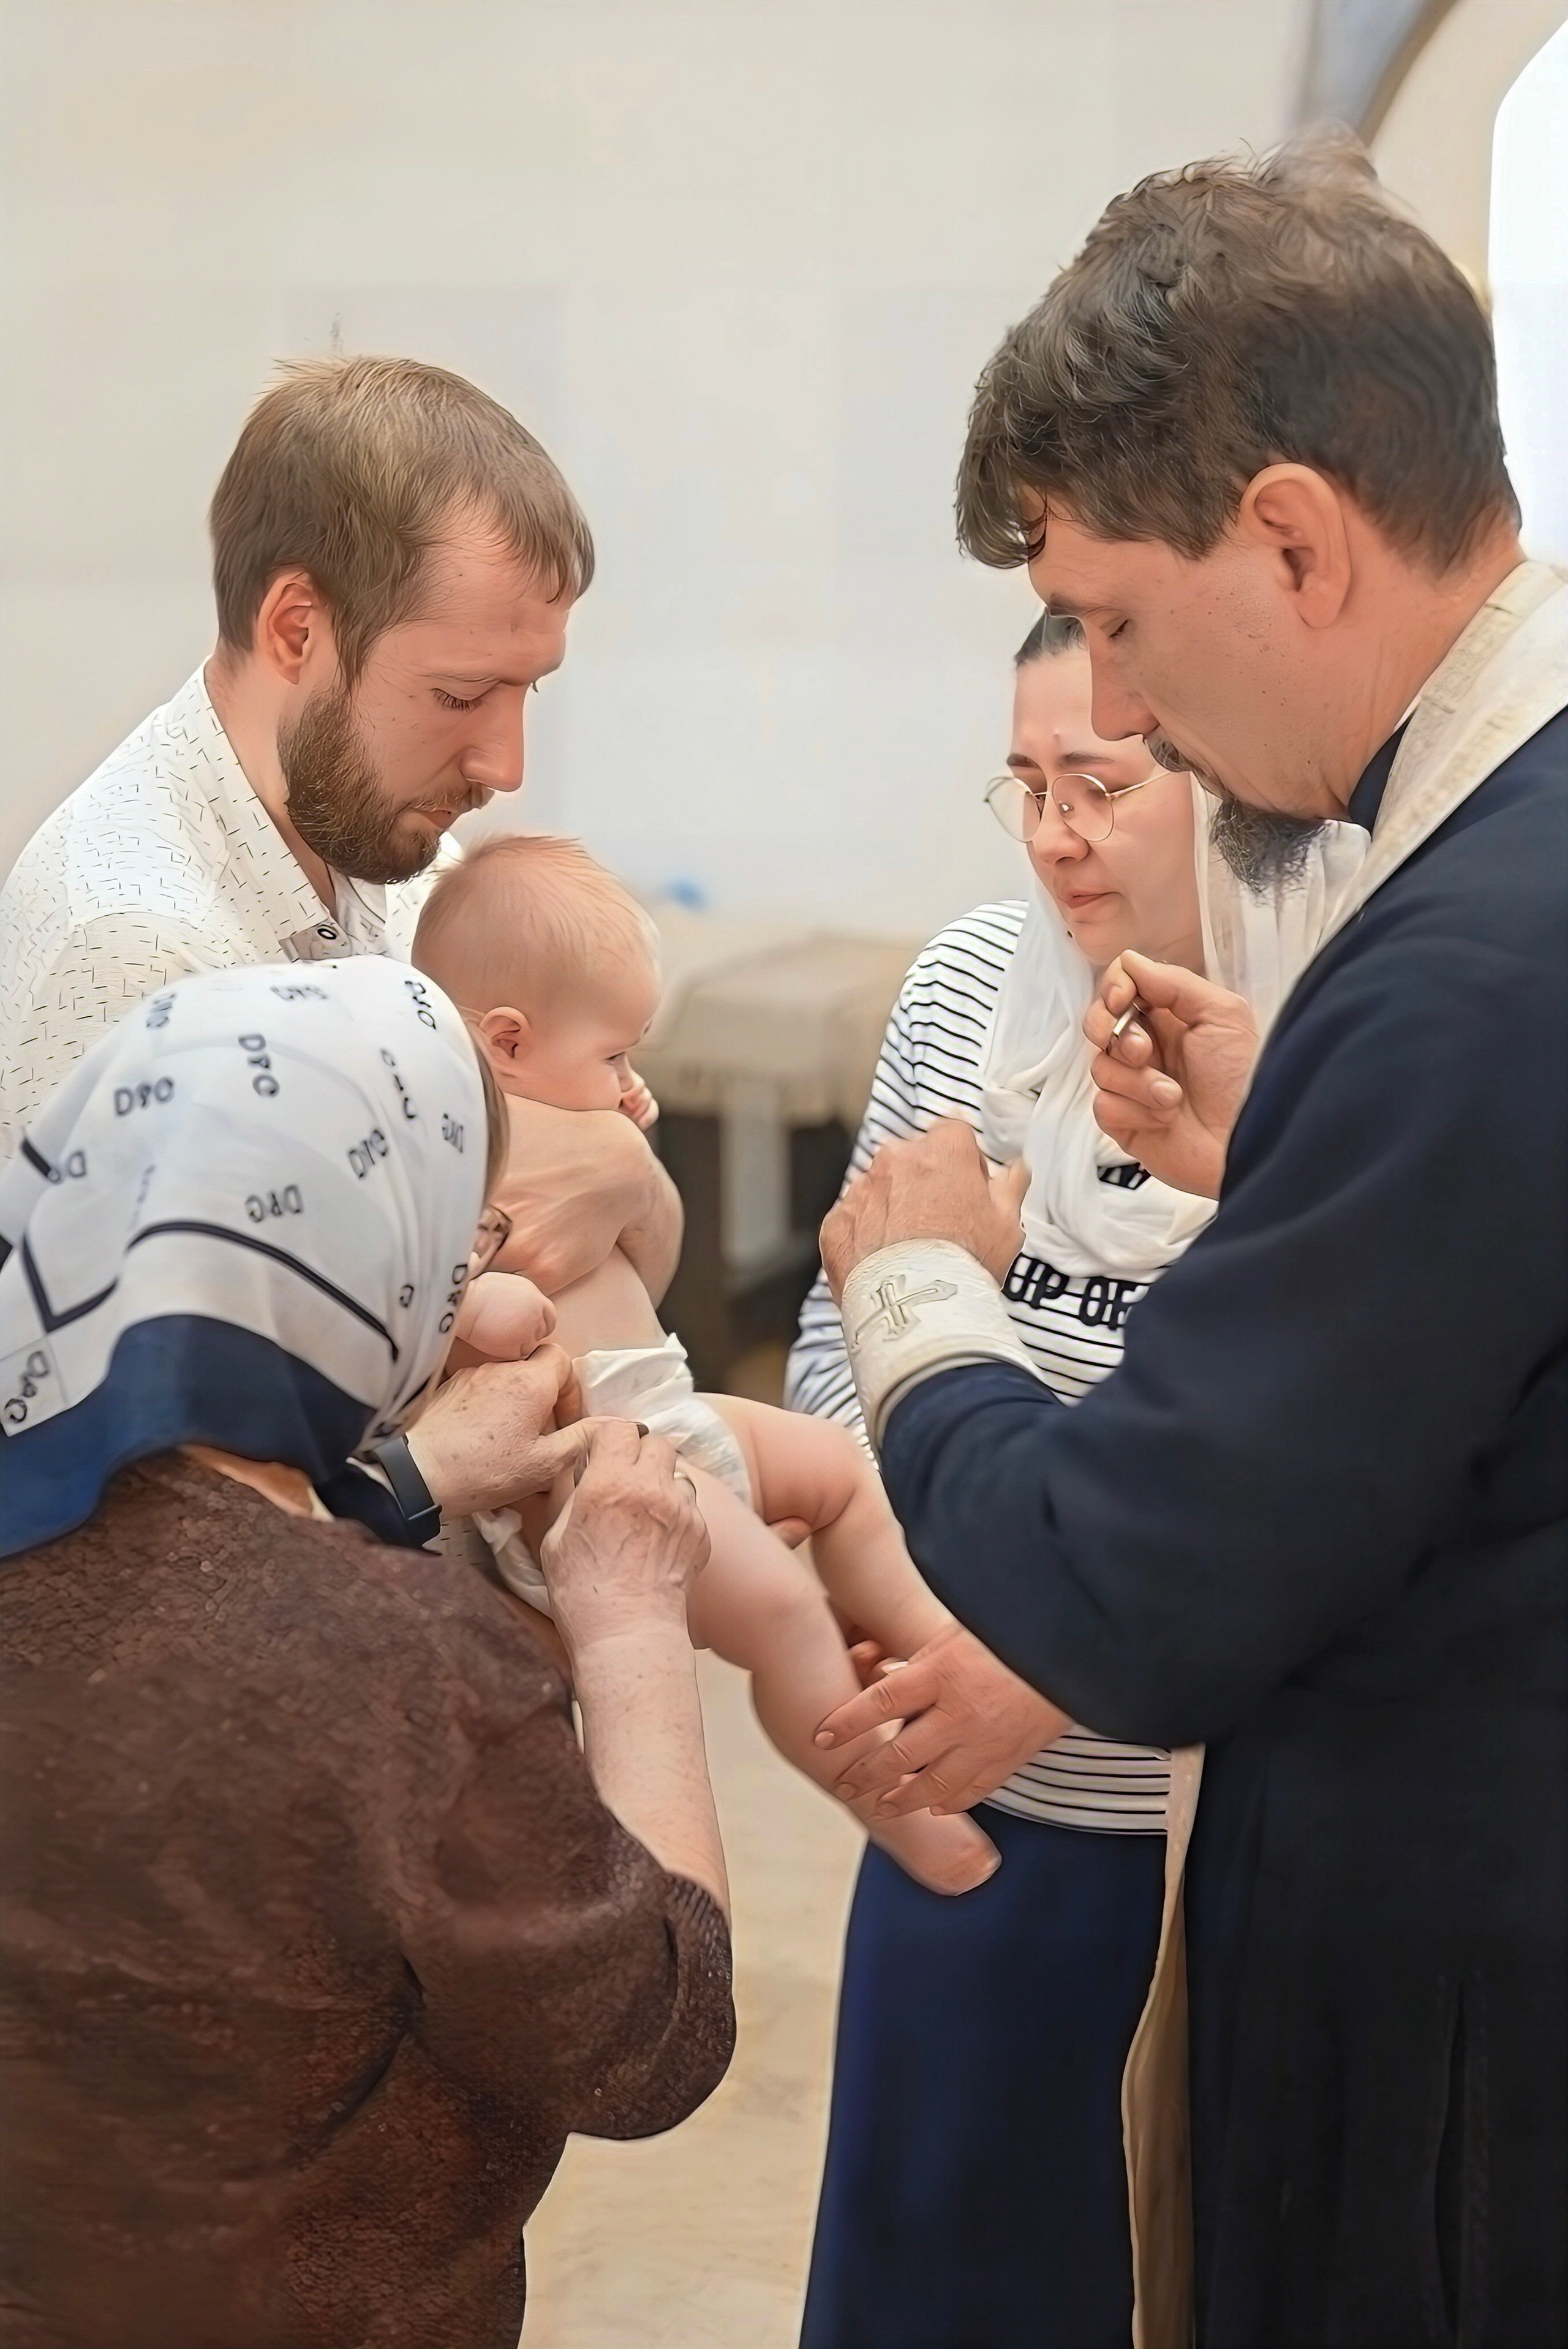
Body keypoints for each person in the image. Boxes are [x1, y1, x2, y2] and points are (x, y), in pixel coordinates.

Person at [812, 133, 1566, 2347]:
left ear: (1298, 539)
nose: (1117, 715)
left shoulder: (1470, 967)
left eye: (1124, 625)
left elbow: (1122, 1590)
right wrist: (1303, 1153)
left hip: (1460, 2067)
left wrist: (921, 1280)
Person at [0, 957, 734, 2349]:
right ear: (368, 1254)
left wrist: (401, 1480)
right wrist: (633, 1623)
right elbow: (649, 2036)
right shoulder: (409, 1670)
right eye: (462, 1232)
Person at [787, 612, 1362, 2349]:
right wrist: (915, 1621)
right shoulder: (971, 983)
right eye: (1026, 785)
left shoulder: (1348, 1027)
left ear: (1217, 783)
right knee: (936, 2275)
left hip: (1204, 1840)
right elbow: (840, 1357)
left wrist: (1055, 1655)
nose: (1057, 833)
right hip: (970, 1816)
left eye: (1102, 783)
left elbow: (1333, 1485)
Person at [0, 352, 682, 1544]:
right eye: (463, 695)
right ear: (297, 628)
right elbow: (118, 1564)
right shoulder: (136, 953)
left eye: (530, 690)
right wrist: (429, 1473)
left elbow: (629, 1252)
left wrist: (621, 1172)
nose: (505, 764)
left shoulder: (408, 856)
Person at [411, 831, 1050, 1895]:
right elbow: (436, 1309)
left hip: (667, 1409)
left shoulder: (556, 1118)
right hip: (596, 1478)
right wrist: (495, 1300)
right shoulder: (448, 1152)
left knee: (840, 1471)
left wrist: (618, 1130)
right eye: (614, 1056)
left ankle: (938, 1645)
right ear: (508, 1041)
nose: (630, 1079)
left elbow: (642, 1269)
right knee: (788, 1620)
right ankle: (893, 1809)